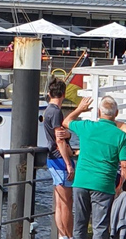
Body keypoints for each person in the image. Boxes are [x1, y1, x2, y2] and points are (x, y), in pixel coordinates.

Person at [63, 96, 126, 239]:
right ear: (116, 113)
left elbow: (66, 122)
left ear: (98, 112)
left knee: (79, 226)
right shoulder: (121, 136)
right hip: (103, 185)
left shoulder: (87, 126)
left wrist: (80, 108)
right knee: (100, 228)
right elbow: (125, 164)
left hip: (81, 182)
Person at [44, 78, 75, 239]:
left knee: (60, 203)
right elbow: (59, 139)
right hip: (59, 160)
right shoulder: (56, 112)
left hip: (52, 159)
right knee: (66, 203)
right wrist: (68, 164)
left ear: (50, 93)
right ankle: (67, 236)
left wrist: (68, 134)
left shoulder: (47, 110)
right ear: (63, 94)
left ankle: (63, 235)